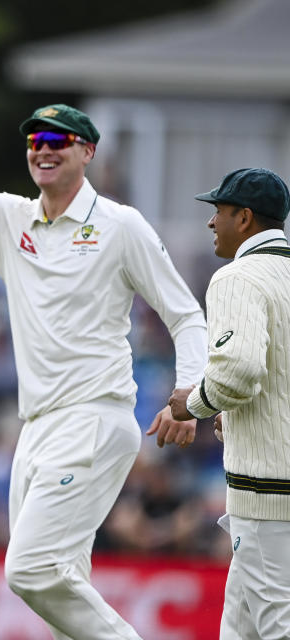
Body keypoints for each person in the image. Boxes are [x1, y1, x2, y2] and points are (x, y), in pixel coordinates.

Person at [0, 74, 208, 639]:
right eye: (34, 143)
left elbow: (185, 315)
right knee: (62, 583)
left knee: (30, 570)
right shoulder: (10, 217)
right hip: (36, 427)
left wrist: (190, 393)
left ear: (86, 152)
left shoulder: (119, 225)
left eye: (57, 142)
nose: (43, 151)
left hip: (93, 418)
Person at [168, 168, 290, 640]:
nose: (210, 222)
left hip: (268, 496)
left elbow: (238, 371)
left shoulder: (236, 277)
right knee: (240, 632)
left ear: (244, 218)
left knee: (277, 628)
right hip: (274, 489)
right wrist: (233, 412)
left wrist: (193, 403)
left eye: (218, 211)